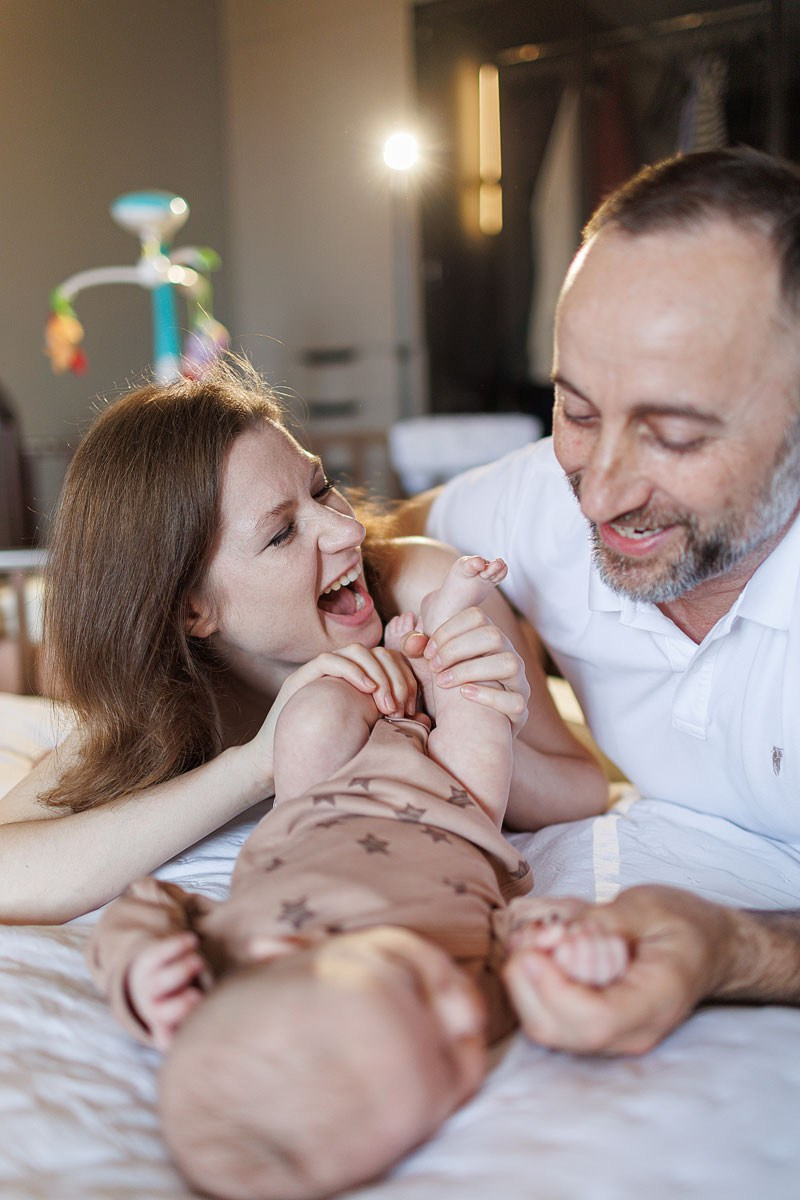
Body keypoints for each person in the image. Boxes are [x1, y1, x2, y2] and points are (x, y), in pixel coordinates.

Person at [395, 147, 800, 1055]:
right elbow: (381, 542)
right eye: (577, 412)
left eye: (675, 437)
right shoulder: (543, 496)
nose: (600, 494)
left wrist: (736, 948)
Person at [86, 556, 624, 1200]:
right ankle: (445, 625)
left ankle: (398, 665)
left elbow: (148, 899)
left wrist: (139, 965)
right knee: (478, 711)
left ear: (281, 952)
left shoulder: (233, 957)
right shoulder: (477, 1001)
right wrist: (570, 941)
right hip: (455, 813)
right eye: (453, 1065)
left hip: (316, 801)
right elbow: (528, 930)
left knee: (316, 711)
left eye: (415, 987)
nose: (461, 1010)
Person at [0, 359, 605, 925]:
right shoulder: (170, 698)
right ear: (192, 610)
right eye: (282, 533)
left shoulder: (426, 591)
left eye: (320, 489)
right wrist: (257, 763)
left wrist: (477, 721)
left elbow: (587, 788)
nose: (347, 529)